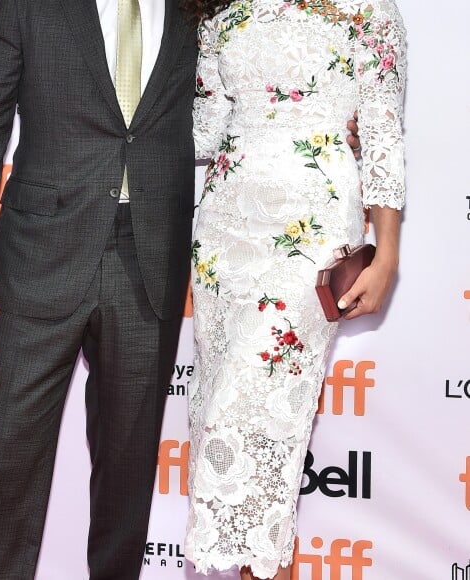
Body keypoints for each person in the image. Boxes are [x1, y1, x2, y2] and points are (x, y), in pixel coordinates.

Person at [0, 0, 361, 578]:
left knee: (129, 459)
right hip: (39, 252)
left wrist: (322, 121)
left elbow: (237, 94)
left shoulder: (200, 8)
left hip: (150, 255)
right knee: (11, 450)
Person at [183, 1, 406, 580]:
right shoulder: (218, 10)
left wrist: (386, 256)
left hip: (311, 231)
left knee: (255, 419)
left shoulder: (367, 9)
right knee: (220, 422)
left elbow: (382, 131)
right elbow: (202, 126)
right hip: (223, 233)